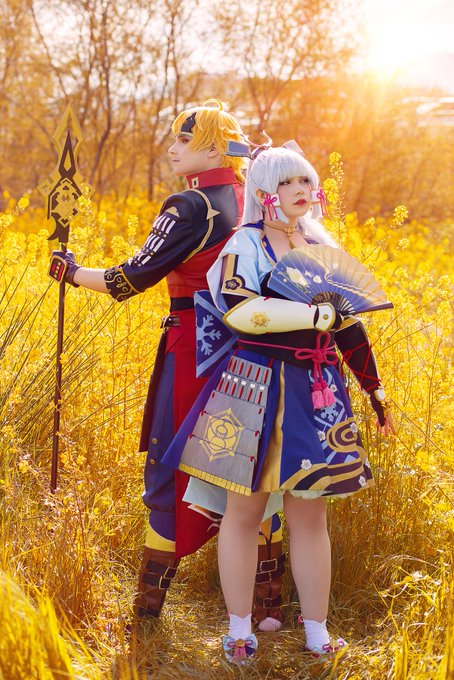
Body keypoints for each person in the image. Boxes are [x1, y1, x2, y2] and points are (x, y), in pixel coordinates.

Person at [48, 100, 285, 631]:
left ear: (212, 149)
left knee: (168, 467)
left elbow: (128, 279)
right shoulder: (256, 199)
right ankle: (269, 609)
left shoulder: (191, 205)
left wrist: (71, 271)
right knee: (252, 469)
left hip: (195, 353)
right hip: (258, 354)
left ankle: (146, 617)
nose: (172, 149)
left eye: (183, 139)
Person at [163, 145, 397, 663]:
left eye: (306, 180)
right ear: (265, 191)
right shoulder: (243, 243)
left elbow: (349, 323)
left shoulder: (321, 244)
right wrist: (312, 318)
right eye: (287, 181)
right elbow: (237, 308)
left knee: (310, 515)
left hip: (317, 388)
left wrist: (373, 387)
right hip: (255, 384)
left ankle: (317, 632)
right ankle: (238, 630)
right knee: (243, 512)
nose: (300, 190)